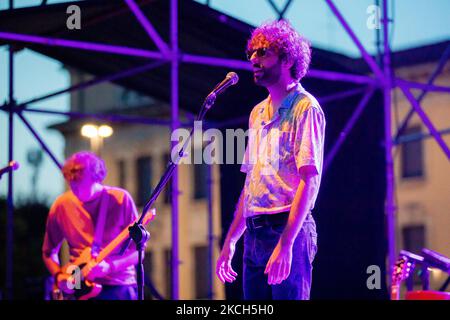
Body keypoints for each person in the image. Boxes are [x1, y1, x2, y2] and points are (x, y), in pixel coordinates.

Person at [216, 20, 326, 300]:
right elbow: (251, 184)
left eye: (262, 52)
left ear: (287, 58)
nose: (253, 59)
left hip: (287, 228)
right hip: (254, 233)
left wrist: (286, 243)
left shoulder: (305, 108)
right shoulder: (257, 113)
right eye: (251, 53)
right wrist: (231, 241)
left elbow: (309, 180)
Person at [42, 151, 139, 300]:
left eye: (81, 181)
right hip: (77, 285)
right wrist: (59, 275)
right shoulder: (61, 204)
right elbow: (48, 252)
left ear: (96, 177)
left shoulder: (121, 200)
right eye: (72, 183)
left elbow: (138, 252)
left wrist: (110, 267)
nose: (75, 187)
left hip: (118, 285)